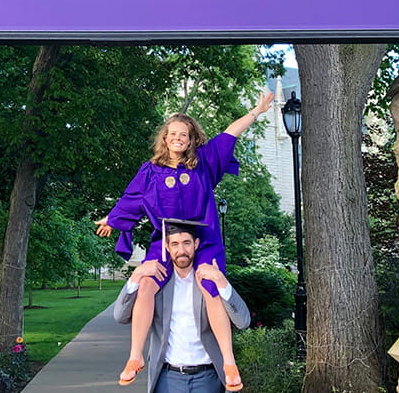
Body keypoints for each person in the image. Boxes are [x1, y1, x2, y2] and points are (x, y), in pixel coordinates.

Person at [96, 92, 274, 390]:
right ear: (165, 139)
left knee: (211, 288)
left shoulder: (203, 163)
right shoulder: (151, 172)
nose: (178, 138)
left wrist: (256, 111)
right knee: (146, 284)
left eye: (184, 135)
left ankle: (228, 362)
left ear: (192, 139)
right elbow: (131, 198)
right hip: (166, 239)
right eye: (173, 134)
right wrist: (112, 220)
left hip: (203, 238)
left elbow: (230, 132)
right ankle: (135, 356)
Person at [113, 222, 251, 393]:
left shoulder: (208, 279)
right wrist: (136, 275)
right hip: (167, 377)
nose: (181, 250)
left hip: (207, 377)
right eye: (175, 244)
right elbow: (120, 316)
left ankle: (230, 364)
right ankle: (135, 358)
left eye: (186, 243)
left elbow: (243, 321)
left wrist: (222, 281)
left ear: (196, 244)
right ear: (167, 247)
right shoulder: (157, 283)